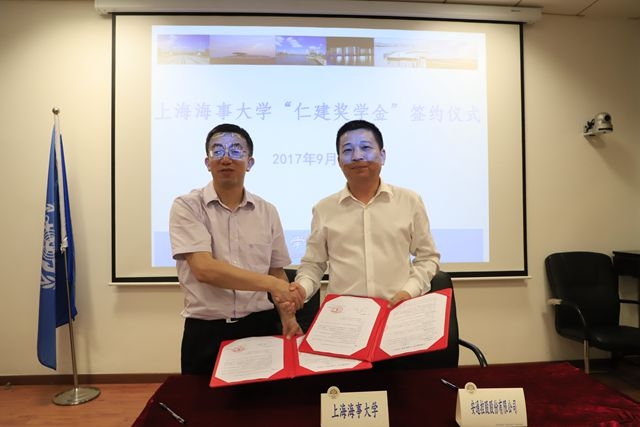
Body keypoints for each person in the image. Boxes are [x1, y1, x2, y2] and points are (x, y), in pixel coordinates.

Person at [292, 120, 440, 368]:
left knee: (399, 386)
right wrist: (301, 289)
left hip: (397, 318)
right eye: (347, 150)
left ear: (382, 155)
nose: (357, 156)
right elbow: (314, 265)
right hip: (344, 325)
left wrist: (409, 291)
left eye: (365, 147)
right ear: (339, 161)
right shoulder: (324, 209)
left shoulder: (409, 201)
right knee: (349, 389)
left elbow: (428, 257)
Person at [169, 123, 302, 376]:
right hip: (206, 331)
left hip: (259, 326)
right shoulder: (187, 206)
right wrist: (272, 284)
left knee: (261, 399)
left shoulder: (267, 211)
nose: (226, 158)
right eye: (217, 151)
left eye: (236, 151)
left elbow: (276, 271)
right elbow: (204, 269)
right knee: (202, 400)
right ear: (207, 162)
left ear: (250, 162)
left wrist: (287, 316)